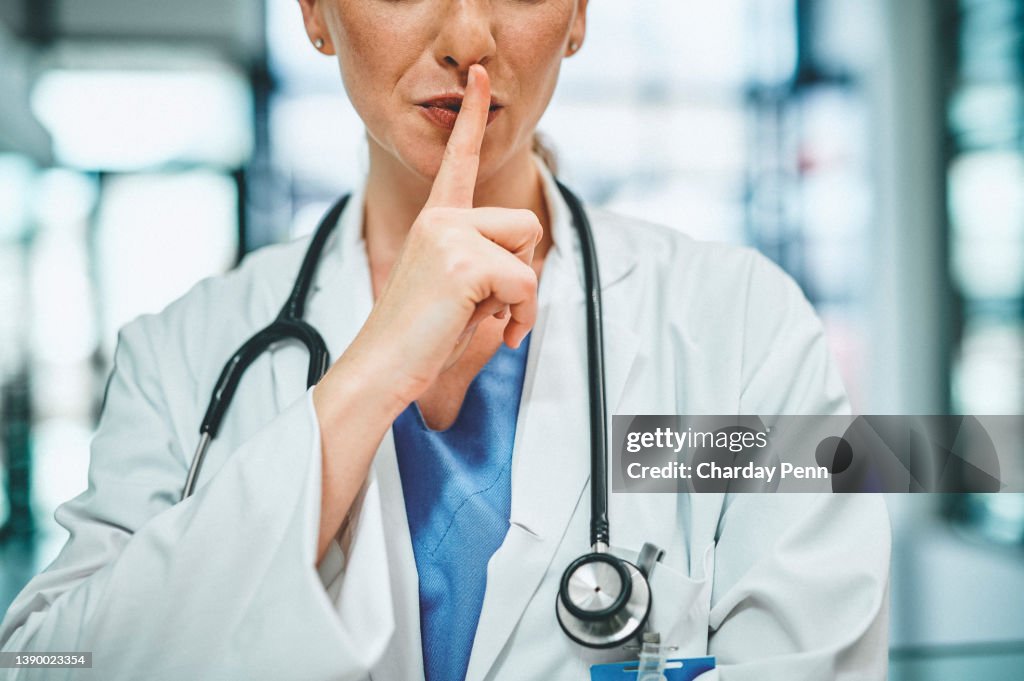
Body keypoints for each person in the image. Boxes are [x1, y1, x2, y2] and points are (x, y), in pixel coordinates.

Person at [0, 1, 890, 679]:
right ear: (314, 14)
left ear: (579, 15)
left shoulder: (744, 327)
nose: (468, 37)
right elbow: (45, 660)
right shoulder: (179, 354)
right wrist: (369, 378)